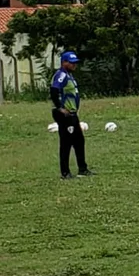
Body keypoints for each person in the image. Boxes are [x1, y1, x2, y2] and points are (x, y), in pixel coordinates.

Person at [51, 51, 93, 180]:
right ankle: (65, 172)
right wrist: (60, 108)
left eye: (75, 63)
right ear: (64, 62)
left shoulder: (69, 75)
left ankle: (83, 168)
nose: (75, 65)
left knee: (79, 141)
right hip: (65, 115)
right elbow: (53, 90)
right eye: (72, 63)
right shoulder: (61, 75)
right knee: (66, 143)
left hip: (73, 114)